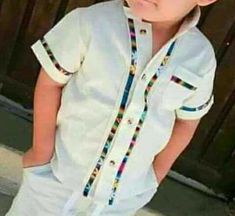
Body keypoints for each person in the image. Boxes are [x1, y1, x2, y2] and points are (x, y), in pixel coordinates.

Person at [5, 0, 219, 215]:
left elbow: (187, 121)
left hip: (121, 198)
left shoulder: (200, 57)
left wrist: (156, 174)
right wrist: (42, 151)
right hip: (56, 177)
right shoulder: (92, 22)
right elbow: (51, 83)